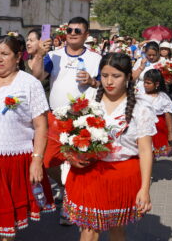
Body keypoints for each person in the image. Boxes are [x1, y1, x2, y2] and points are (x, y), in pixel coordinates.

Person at [0, 35, 55, 240]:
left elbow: (41, 125)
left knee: (9, 221)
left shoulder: (30, 83)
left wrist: (37, 159)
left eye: (5, 54)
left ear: (17, 57)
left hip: (14, 161)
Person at [63, 53, 155, 240]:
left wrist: (145, 189)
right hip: (88, 173)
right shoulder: (88, 100)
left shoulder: (140, 109)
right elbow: (69, 136)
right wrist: (72, 156)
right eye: (104, 76)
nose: (109, 81)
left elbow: (145, 152)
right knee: (89, 229)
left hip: (122, 176)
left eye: (116, 76)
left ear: (129, 77)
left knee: (117, 229)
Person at [29, 16, 101, 225]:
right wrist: (41, 54)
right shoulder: (54, 55)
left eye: (77, 31)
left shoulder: (95, 58)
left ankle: (70, 204)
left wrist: (92, 81)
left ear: (86, 35)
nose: (72, 33)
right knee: (46, 160)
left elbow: (105, 85)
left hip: (82, 118)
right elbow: (37, 76)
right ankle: (67, 188)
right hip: (55, 116)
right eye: (69, 30)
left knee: (77, 162)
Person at [142, 69, 172, 158]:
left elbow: (168, 116)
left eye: (148, 83)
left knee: (152, 155)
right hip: (142, 127)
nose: (145, 85)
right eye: (144, 82)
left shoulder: (163, 98)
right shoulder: (140, 95)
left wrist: (170, 133)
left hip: (158, 129)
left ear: (157, 84)